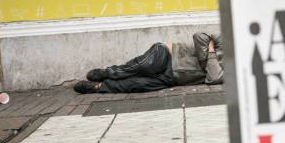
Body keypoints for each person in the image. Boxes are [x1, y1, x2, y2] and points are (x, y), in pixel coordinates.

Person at [73, 32, 223, 94]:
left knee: (136, 85)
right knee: (145, 65)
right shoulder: (227, 40)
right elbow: (200, 37)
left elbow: (215, 79)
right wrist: (211, 62)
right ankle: (107, 72)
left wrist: (210, 52)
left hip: (174, 78)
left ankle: (98, 87)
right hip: (169, 54)